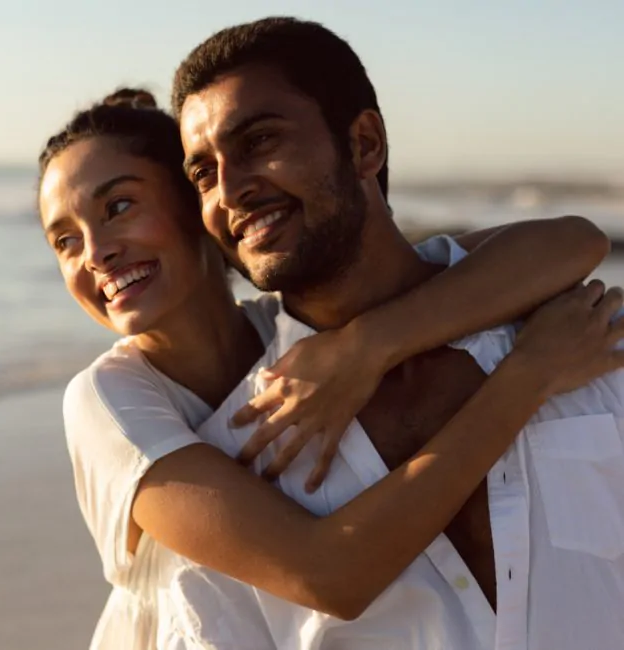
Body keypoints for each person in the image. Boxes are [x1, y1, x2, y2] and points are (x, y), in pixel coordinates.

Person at [39, 89, 616, 649]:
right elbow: (326, 575)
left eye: (118, 208)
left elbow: (567, 243)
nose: (95, 252)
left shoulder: (295, 326)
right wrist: (528, 376)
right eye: (64, 240)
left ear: (196, 206)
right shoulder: (109, 396)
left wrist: (367, 344)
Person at [167, 16, 624, 649]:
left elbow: (579, 237)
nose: (232, 189)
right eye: (202, 174)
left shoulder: (584, 336)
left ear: (364, 145)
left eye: (260, 140)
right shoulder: (240, 463)